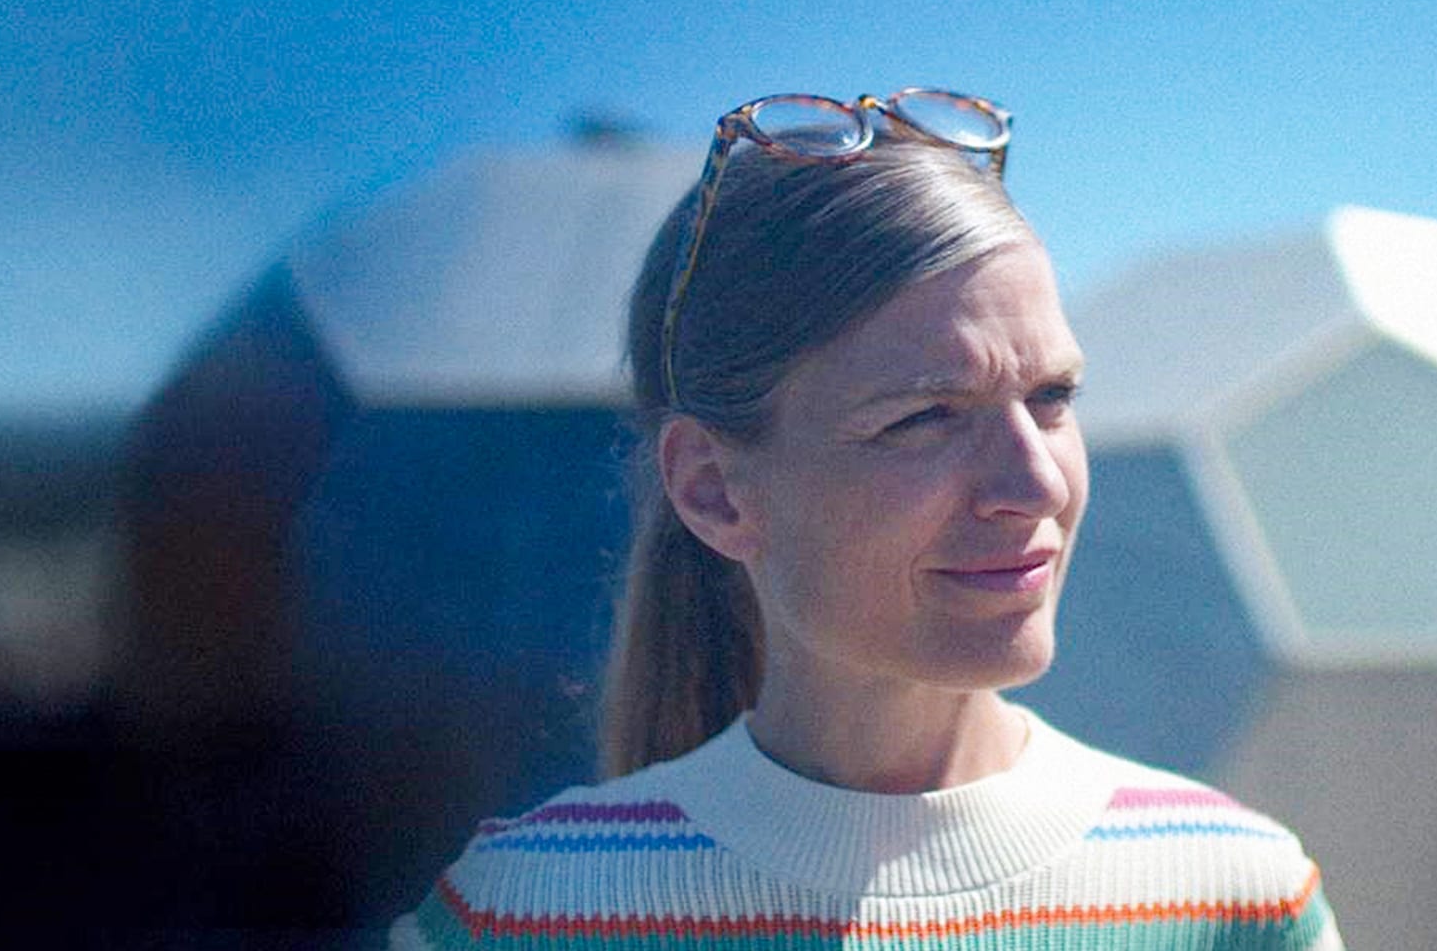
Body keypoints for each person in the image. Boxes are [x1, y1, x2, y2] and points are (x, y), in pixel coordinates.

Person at [390, 90, 1343, 950]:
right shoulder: (524, 916)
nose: (1035, 482)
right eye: (924, 417)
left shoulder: (1234, 898)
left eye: (1052, 398)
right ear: (714, 491)